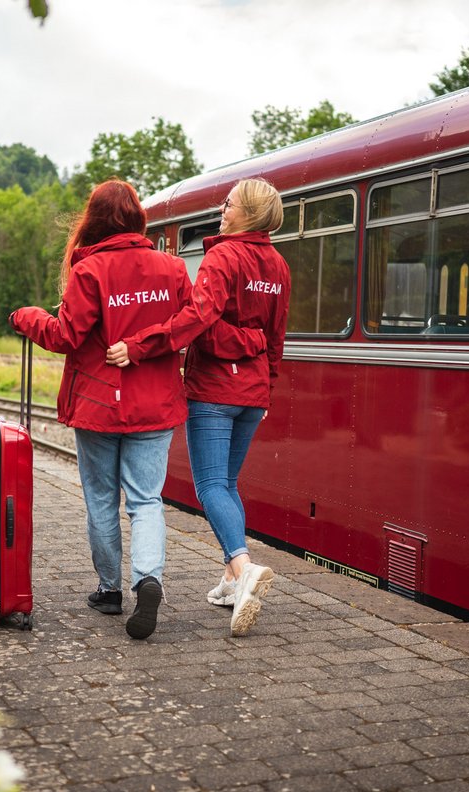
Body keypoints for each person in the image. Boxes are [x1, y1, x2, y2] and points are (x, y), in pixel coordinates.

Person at [9, 179, 259, 640]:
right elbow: (188, 326)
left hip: (99, 406)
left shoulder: (90, 272)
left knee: (102, 499)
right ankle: (149, 580)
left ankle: (109, 590)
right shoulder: (171, 268)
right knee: (146, 501)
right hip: (156, 405)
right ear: (138, 218)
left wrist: (25, 316)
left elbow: (65, 336)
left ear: (95, 220)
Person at [106, 177, 290, 637]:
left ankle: (243, 566)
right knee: (227, 484)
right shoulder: (280, 266)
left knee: (209, 485)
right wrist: (266, 385)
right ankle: (231, 581)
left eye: (229, 204)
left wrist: (141, 345)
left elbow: (198, 320)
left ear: (248, 213)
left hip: (214, 390)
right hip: (252, 395)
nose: (222, 209)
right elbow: (276, 338)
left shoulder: (222, 257)